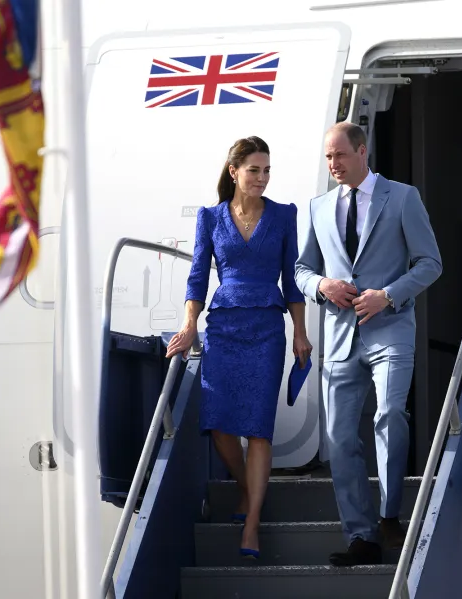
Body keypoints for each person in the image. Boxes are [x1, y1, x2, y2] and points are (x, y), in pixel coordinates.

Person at [294, 122, 442, 566]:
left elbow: (430, 263)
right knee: (339, 438)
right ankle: (362, 536)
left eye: (339, 155)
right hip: (340, 339)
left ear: (362, 152)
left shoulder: (402, 197)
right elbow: (301, 270)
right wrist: (323, 285)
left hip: (391, 328)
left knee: (390, 413)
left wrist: (388, 295)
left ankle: (389, 514)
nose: (332, 164)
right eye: (327, 157)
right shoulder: (319, 207)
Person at [165, 136, 312, 560]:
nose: (262, 178)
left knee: (259, 427)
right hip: (224, 326)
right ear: (234, 171)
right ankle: (248, 490)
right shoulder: (211, 217)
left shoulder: (284, 215)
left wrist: (300, 332)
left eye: (267, 171)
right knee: (219, 423)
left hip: (267, 326)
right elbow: (197, 277)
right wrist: (189, 325)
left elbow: (291, 279)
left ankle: (251, 526)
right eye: (254, 170)